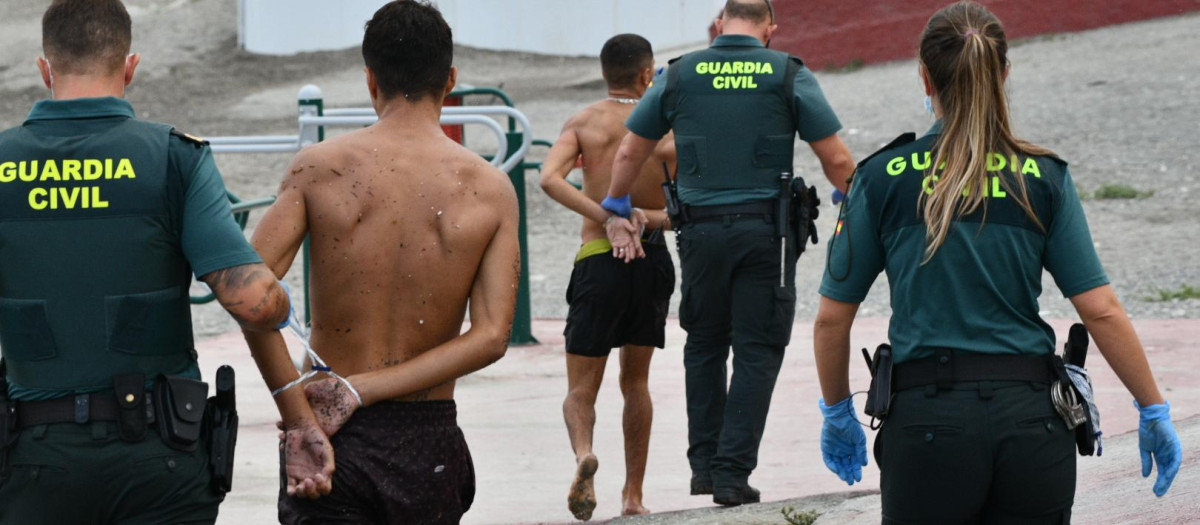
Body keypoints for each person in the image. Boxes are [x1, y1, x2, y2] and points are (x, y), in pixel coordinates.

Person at [814, 2, 1183, 522]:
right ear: (1003, 73)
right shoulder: (1043, 176)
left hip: (927, 426)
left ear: (925, 76)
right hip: (1032, 423)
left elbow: (832, 317)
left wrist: (836, 411)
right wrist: (1152, 407)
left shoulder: (881, 178)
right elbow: (1099, 308)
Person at [0, 1, 293, 523]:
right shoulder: (174, 157)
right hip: (159, 459)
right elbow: (253, 303)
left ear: (44, 69)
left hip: (34, 460)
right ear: (130, 67)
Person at [243, 1, 521, 523]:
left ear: (371, 80)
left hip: (330, 428)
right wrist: (358, 392)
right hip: (427, 435)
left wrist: (298, 413)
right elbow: (491, 337)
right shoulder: (490, 188)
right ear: (451, 79)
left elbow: (248, 296)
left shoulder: (319, 169)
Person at [601, 0, 855, 507]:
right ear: (769, 31)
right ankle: (733, 473)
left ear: (719, 26)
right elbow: (838, 158)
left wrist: (616, 202)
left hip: (699, 235)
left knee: (706, 344)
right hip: (767, 234)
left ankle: (705, 466)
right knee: (758, 350)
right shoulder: (787, 72)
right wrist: (851, 199)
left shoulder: (678, 73)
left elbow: (631, 150)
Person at [539, 34, 676, 520]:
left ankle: (584, 455)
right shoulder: (664, 129)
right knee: (635, 383)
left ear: (604, 73)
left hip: (598, 259)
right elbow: (686, 209)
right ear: (646, 75)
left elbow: (549, 178)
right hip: (653, 261)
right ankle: (633, 496)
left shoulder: (583, 122)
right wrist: (642, 215)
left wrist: (607, 216)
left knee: (581, 389)